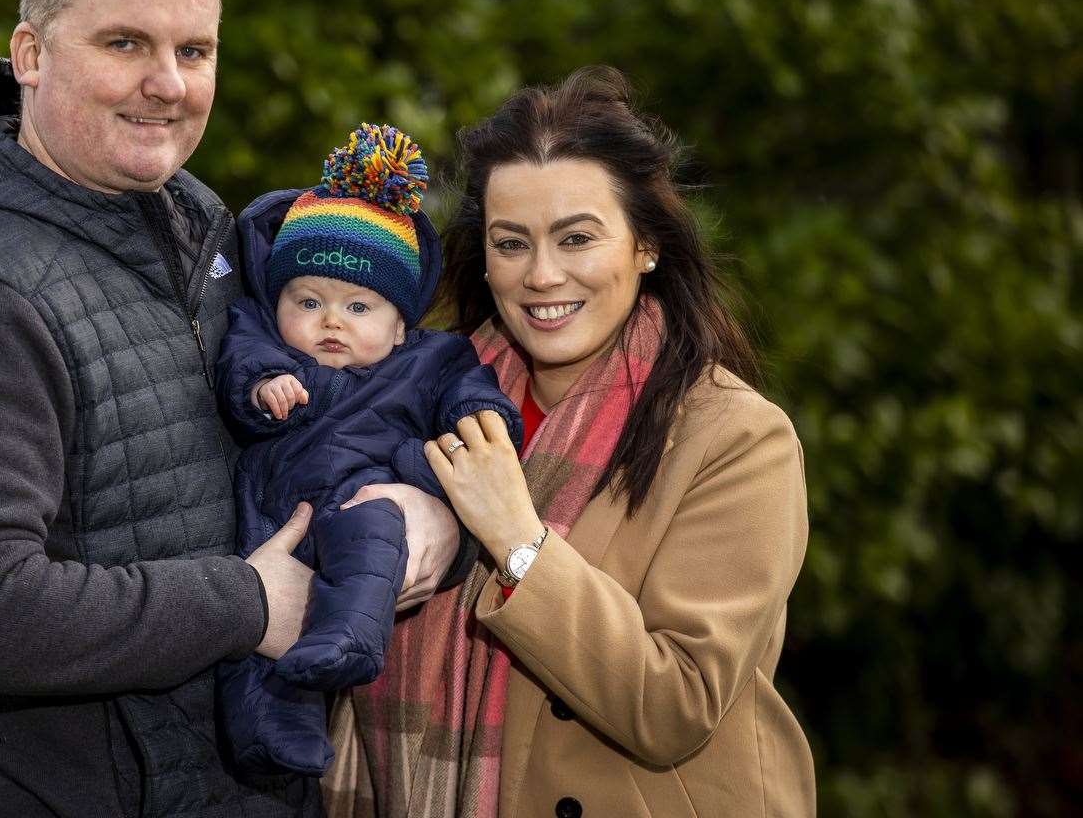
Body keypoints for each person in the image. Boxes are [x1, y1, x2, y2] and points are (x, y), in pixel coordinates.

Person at [0, 0, 461, 818]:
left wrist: (428, 518)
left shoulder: (211, 231)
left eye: (194, 52)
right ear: (30, 56)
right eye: (125, 44)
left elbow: (344, 406)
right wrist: (247, 606)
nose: (168, 85)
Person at [323, 67, 815, 818]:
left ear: (645, 243)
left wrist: (518, 541)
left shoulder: (738, 441)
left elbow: (675, 704)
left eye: (577, 238)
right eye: (511, 242)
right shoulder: (408, 403)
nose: (542, 275)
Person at [214, 124, 521, 778]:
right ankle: (267, 736)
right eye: (309, 300)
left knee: (377, 535)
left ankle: (352, 636)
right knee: (258, 639)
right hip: (275, 505)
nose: (330, 321)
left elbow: (470, 390)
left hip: (364, 492)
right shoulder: (267, 340)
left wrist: (482, 415)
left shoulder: (430, 358)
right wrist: (264, 386)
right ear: (279, 301)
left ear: (400, 322)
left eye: (358, 305)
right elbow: (238, 362)